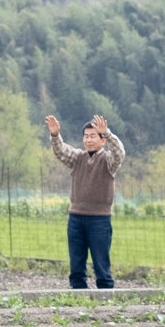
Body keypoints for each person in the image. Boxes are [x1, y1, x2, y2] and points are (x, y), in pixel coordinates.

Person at [45, 113, 124, 290]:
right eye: (86, 136)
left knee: (101, 263)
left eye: (93, 136)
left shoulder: (108, 161)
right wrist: (55, 135)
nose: (88, 140)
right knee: (76, 262)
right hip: (76, 218)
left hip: (99, 220)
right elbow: (61, 151)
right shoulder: (78, 158)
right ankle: (78, 296)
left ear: (102, 140)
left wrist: (108, 134)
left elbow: (119, 153)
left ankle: (105, 296)